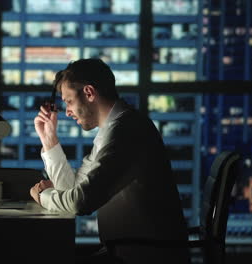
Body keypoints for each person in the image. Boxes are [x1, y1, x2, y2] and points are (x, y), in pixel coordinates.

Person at [30, 58, 190, 264]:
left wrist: (43, 196)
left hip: (141, 256)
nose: (67, 111)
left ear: (89, 93)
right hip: (128, 252)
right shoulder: (113, 130)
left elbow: (80, 202)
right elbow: (71, 190)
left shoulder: (127, 132)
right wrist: (49, 140)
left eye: (69, 101)